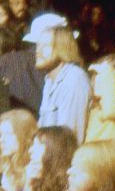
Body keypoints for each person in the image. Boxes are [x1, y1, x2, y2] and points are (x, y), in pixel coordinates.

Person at [30, 14, 92, 143]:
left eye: (45, 46)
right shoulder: (50, 80)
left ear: (62, 48)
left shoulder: (74, 79)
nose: (37, 51)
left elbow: (69, 138)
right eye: (37, 45)